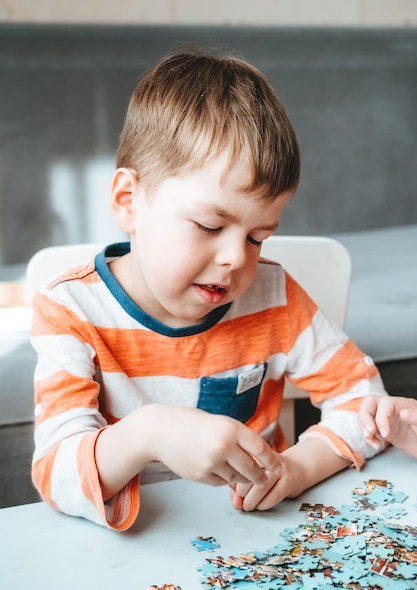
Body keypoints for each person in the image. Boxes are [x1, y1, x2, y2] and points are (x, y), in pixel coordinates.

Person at [30, 48, 386, 531]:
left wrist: (301, 467)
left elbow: (365, 403)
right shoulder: (69, 308)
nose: (238, 258)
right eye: (207, 225)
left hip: (259, 539)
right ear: (128, 201)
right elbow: (56, 473)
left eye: (258, 237)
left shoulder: (274, 295)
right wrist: (148, 433)